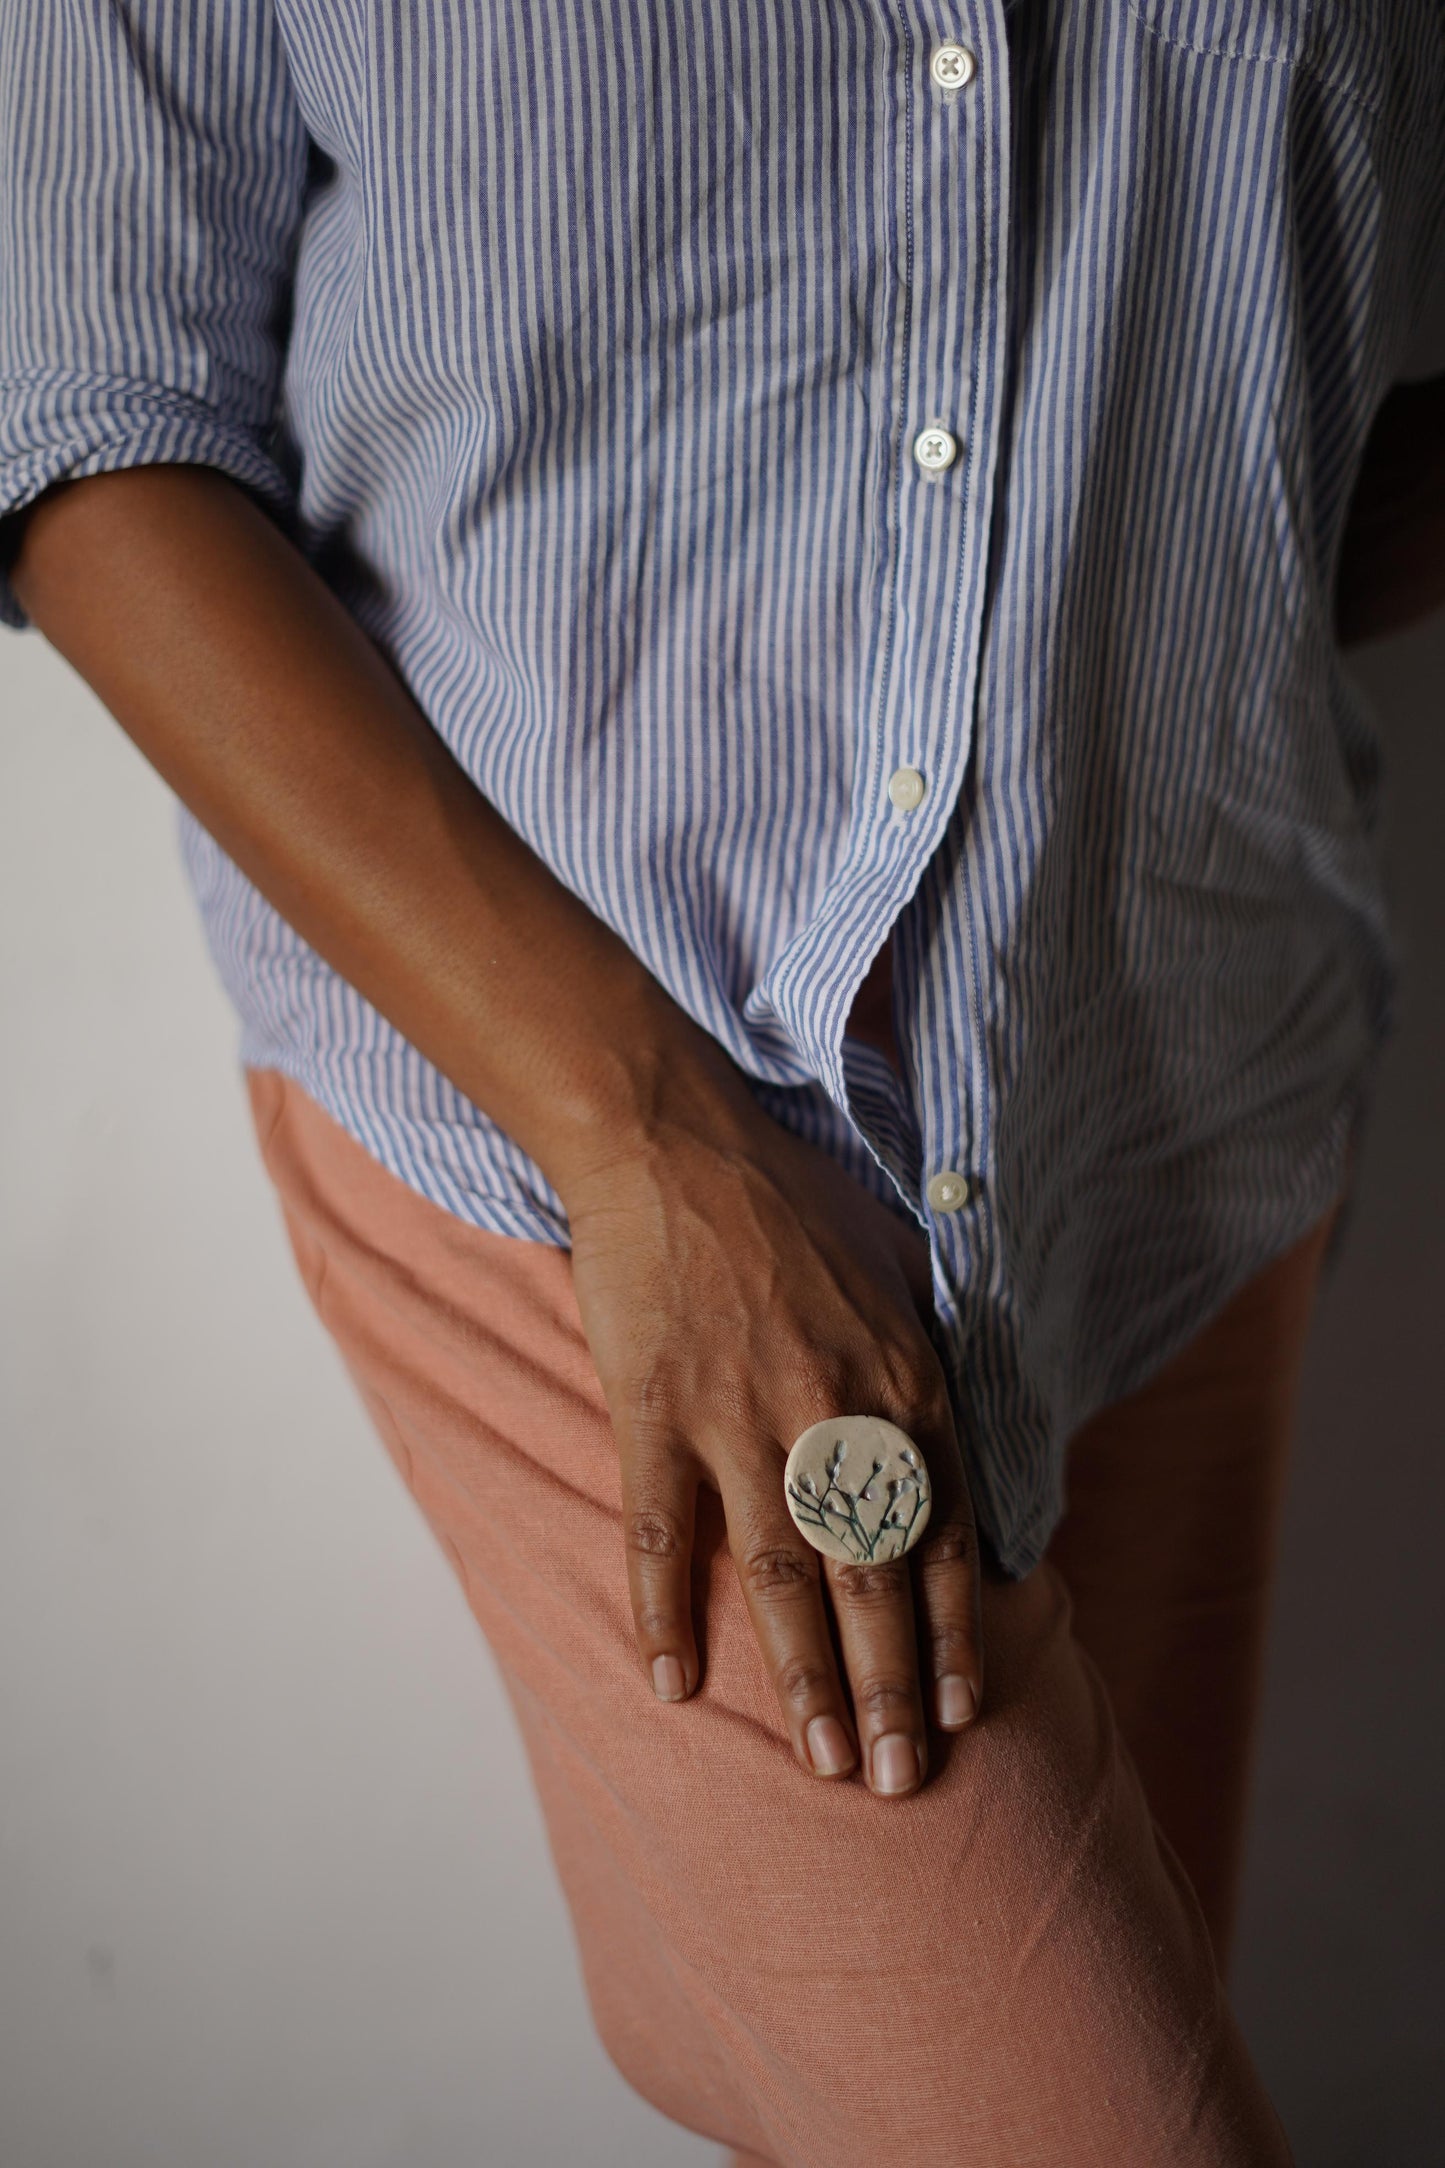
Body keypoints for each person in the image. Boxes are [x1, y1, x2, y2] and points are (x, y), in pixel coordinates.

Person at [3, 5, 1443, 2161]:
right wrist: (637, 1140)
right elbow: (83, 415)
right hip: (575, 1164)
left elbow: (1307, 401)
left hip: (1161, 1110)